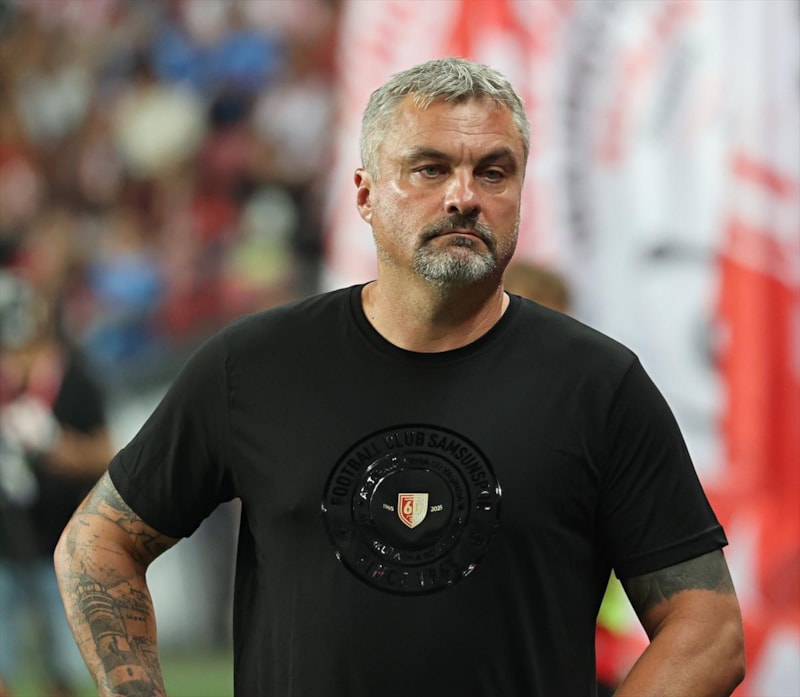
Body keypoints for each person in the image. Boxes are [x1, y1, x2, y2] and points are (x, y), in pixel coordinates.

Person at [54, 57, 745, 697]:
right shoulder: (254, 365)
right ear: (364, 193)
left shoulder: (599, 385)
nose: (464, 196)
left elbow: (708, 628)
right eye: (429, 169)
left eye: (494, 172)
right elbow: (99, 540)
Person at [0, 270, 114, 697]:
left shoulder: (76, 378)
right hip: (3, 543)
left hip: (60, 543)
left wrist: (55, 445)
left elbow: (107, 454)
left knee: (64, 670)